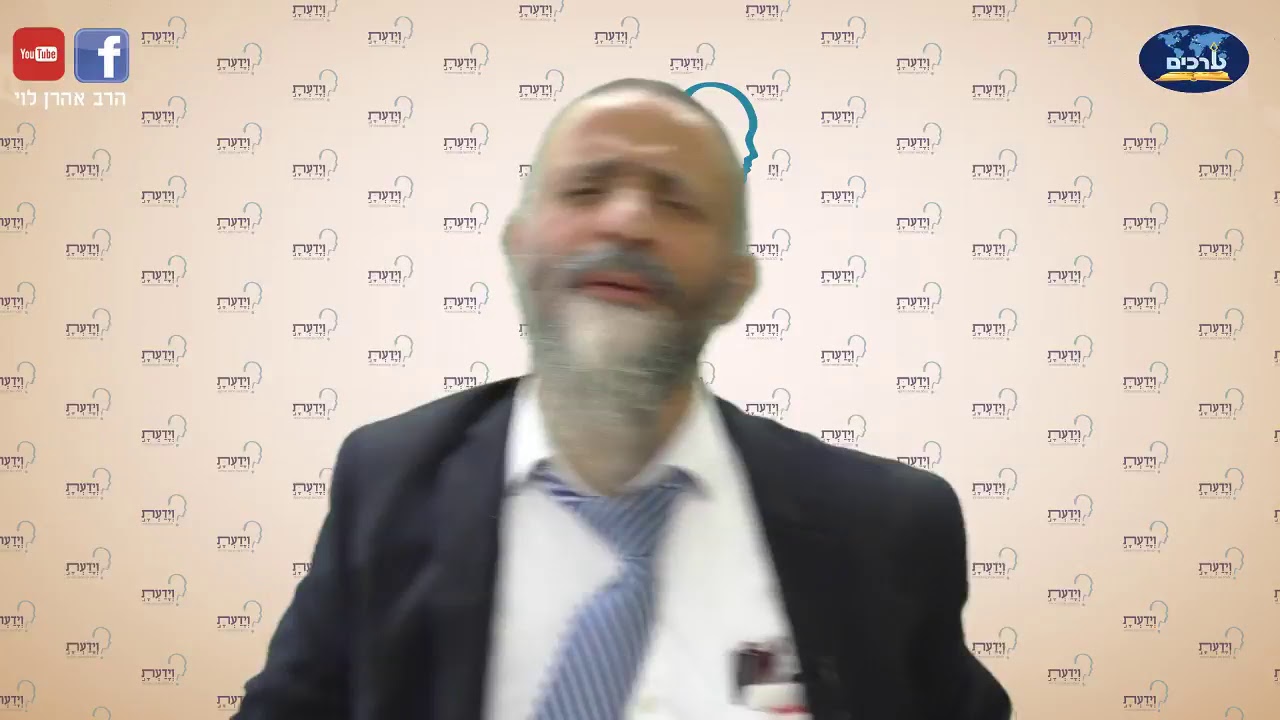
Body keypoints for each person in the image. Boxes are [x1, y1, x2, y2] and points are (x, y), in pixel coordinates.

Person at [234, 78, 1012, 720]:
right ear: (517, 247)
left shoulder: (886, 529)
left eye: (677, 202)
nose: (628, 219)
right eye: (586, 188)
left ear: (737, 284)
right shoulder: (388, 482)